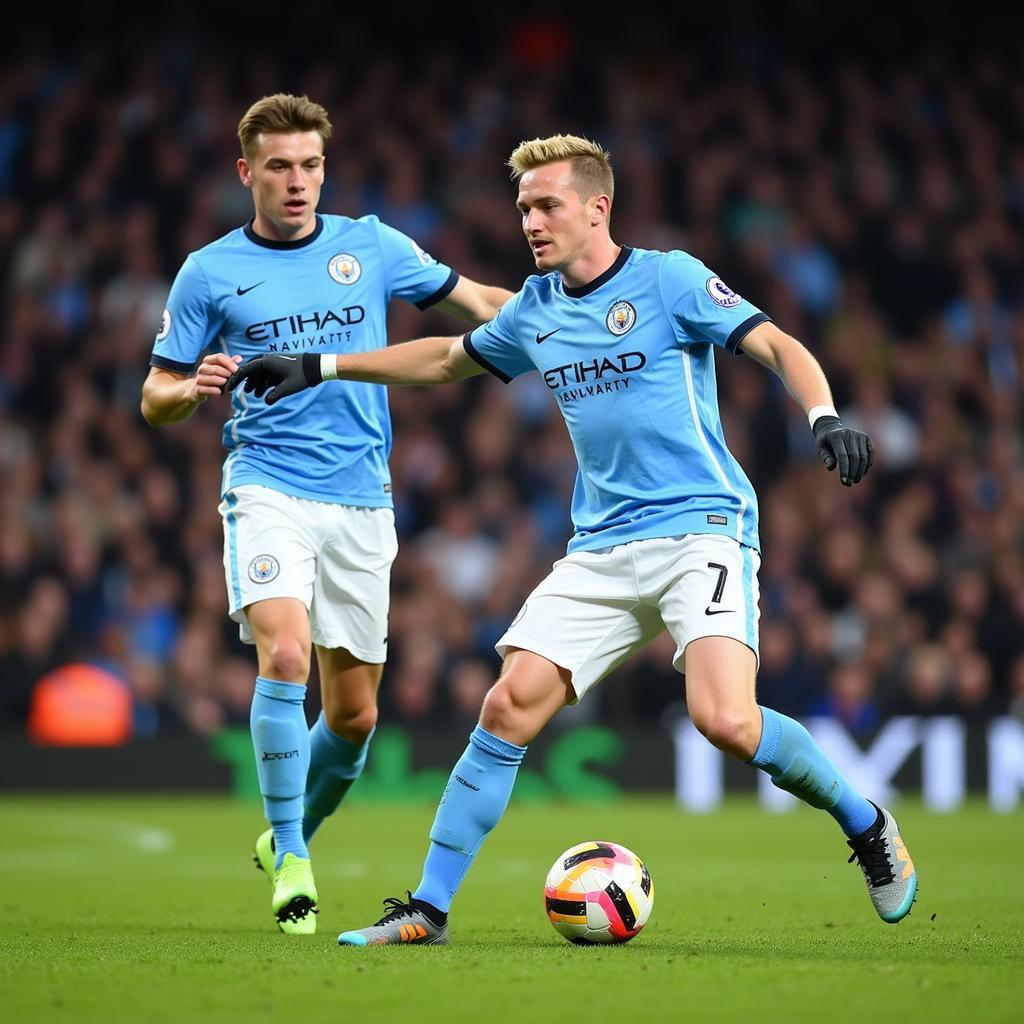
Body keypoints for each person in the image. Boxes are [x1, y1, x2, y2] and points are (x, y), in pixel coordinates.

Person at [229, 134, 917, 946]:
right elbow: (448, 360)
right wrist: (322, 365)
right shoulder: (535, 308)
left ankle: (866, 823)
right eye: (523, 208)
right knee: (506, 704)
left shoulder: (670, 279)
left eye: (547, 204)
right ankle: (428, 907)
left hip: (701, 526)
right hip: (601, 545)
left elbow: (775, 343)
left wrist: (823, 415)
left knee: (725, 720)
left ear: (599, 206)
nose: (531, 221)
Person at [141, 94, 512, 935]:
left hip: (361, 499)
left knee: (354, 719)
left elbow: (475, 300)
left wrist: (563, 309)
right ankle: (293, 857)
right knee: (283, 651)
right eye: (278, 166)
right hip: (268, 484)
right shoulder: (208, 271)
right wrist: (186, 392)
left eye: (309, 164)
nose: (297, 180)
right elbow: (154, 395)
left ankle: (289, 835)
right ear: (248, 174)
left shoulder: (370, 245)